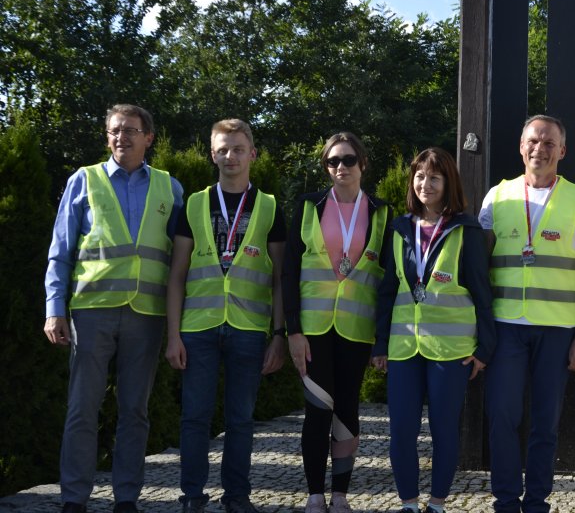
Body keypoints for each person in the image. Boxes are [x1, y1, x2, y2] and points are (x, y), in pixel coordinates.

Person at [44, 104, 184, 513]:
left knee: (135, 411)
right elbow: (60, 250)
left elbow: (181, 258)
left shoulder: (170, 188)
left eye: (130, 130)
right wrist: (54, 308)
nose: (121, 137)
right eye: (114, 131)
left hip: (147, 314)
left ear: (148, 138)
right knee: (82, 409)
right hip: (91, 312)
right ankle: (74, 498)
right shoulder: (83, 180)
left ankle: (127, 498)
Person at [479, 114, 575, 513]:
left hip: (558, 328)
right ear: (521, 146)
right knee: (502, 417)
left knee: (545, 422)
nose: (540, 149)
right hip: (505, 326)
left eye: (549, 143)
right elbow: (478, 268)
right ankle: (505, 501)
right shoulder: (497, 197)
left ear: (562, 151)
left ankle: (536, 503)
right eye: (533, 141)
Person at [165, 119, 287, 513]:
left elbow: (280, 279)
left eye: (237, 149)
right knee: (195, 417)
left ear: (253, 154)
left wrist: (279, 335)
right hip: (197, 328)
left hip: (248, 328)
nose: (230, 156)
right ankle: (192, 495)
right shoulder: (193, 204)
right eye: (222, 149)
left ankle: (237, 496)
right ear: (212, 154)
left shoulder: (270, 207)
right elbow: (177, 275)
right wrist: (173, 335)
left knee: (241, 419)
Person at [372, 147, 496, 513]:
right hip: (403, 347)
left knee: (444, 430)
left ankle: (437, 504)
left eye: (435, 178)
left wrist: (484, 349)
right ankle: (409, 504)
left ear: (449, 183)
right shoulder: (399, 228)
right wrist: (380, 344)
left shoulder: (466, 230)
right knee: (401, 430)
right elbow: (387, 291)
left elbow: (482, 292)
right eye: (420, 176)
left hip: (451, 350)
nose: (426, 184)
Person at [282, 132, 391, 513]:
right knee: (317, 408)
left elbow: (388, 281)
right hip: (312, 329)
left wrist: (382, 339)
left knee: (346, 409)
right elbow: (289, 271)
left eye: (348, 159)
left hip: (356, 329)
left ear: (363, 163)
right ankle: (315, 493)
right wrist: (292, 330)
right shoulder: (309, 206)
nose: (340, 167)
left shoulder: (380, 212)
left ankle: (340, 493)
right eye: (332, 161)